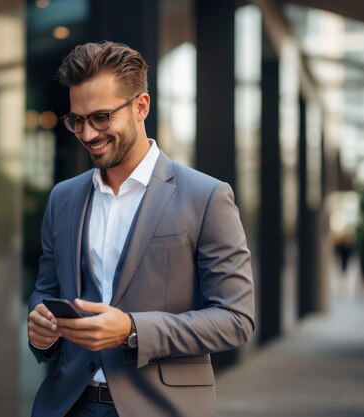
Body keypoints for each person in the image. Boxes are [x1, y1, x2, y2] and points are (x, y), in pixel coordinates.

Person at [27, 41, 255, 417]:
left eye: (101, 117)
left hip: (159, 407)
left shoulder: (207, 196)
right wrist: (41, 326)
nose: (87, 134)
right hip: (68, 405)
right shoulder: (63, 199)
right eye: (76, 121)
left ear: (141, 106)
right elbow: (45, 292)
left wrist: (133, 329)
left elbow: (236, 319)